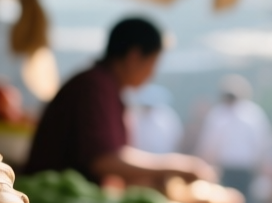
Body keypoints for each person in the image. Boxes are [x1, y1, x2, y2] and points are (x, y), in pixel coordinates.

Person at [25, 18, 214, 186]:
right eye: (152, 63)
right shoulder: (94, 86)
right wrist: (177, 166)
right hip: (51, 200)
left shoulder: (105, 86)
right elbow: (103, 160)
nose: (152, 73)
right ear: (134, 57)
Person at [195, 74, 272, 203]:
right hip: (231, 169)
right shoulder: (251, 114)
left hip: (241, 169)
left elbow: (209, 146)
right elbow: (262, 144)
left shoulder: (224, 114)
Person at [126, 83, 183, 155]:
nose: (148, 108)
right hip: (140, 158)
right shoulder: (135, 115)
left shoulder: (167, 116)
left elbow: (176, 138)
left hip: (164, 158)